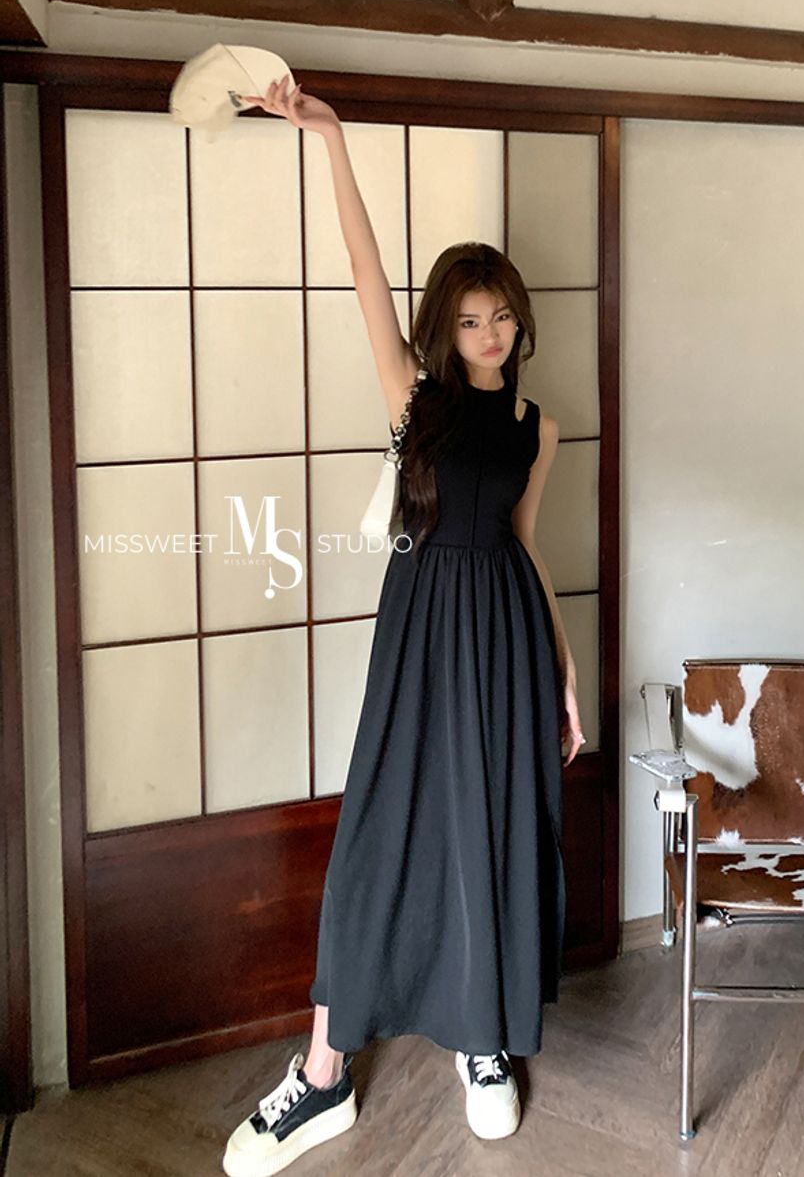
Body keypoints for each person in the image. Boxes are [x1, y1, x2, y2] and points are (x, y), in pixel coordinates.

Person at [222, 78, 585, 1177]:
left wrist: (565, 672)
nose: (490, 332)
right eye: (470, 317)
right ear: (445, 325)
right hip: (420, 635)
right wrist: (330, 140)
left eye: (501, 314)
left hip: (507, 641)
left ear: (519, 319)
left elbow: (526, 544)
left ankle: (483, 1040)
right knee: (377, 841)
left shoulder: (539, 427)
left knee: (490, 829)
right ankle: (322, 1074)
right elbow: (361, 269)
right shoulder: (413, 401)